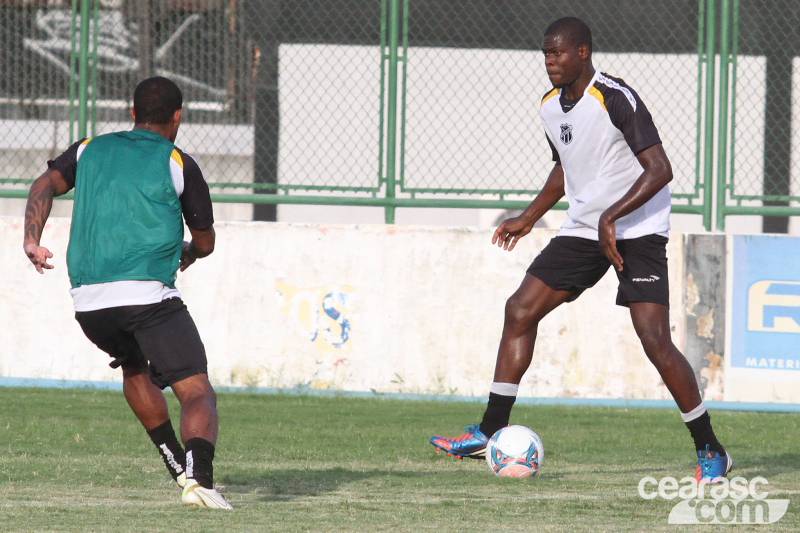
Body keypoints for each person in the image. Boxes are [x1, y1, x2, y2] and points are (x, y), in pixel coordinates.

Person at [429, 17, 732, 482]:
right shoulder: (551, 106)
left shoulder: (616, 97)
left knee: (654, 341)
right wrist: (528, 217)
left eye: (558, 53)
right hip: (585, 227)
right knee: (519, 310)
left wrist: (612, 217)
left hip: (639, 228)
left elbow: (660, 169)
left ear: (583, 53)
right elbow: (565, 169)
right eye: (545, 54)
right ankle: (490, 431)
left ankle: (711, 449)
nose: (549, 61)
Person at [23, 76, 232, 508]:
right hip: (147, 298)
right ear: (178, 117)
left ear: (133, 113)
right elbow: (206, 242)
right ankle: (202, 481)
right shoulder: (178, 160)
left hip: (89, 303)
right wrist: (190, 251)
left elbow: (42, 185)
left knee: (135, 368)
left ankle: (178, 466)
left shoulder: (86, 149)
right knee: (195, 390)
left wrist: (31, 240)